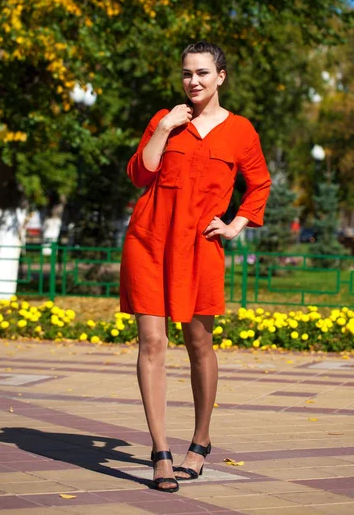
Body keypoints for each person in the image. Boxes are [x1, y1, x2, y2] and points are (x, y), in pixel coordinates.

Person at [120, 41, 271, 492]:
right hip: (149, 241)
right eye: (187, 73)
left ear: (220, 76)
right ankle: (161, 452)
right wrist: (164, 128)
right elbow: (140, 174)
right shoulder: (165, 121)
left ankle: (200, 441)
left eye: (203, 73)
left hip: (201, 247)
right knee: (152, 342)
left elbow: (259, 182)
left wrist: (235, 224)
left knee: (199, 342)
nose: (194, 81)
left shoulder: (240, 130)